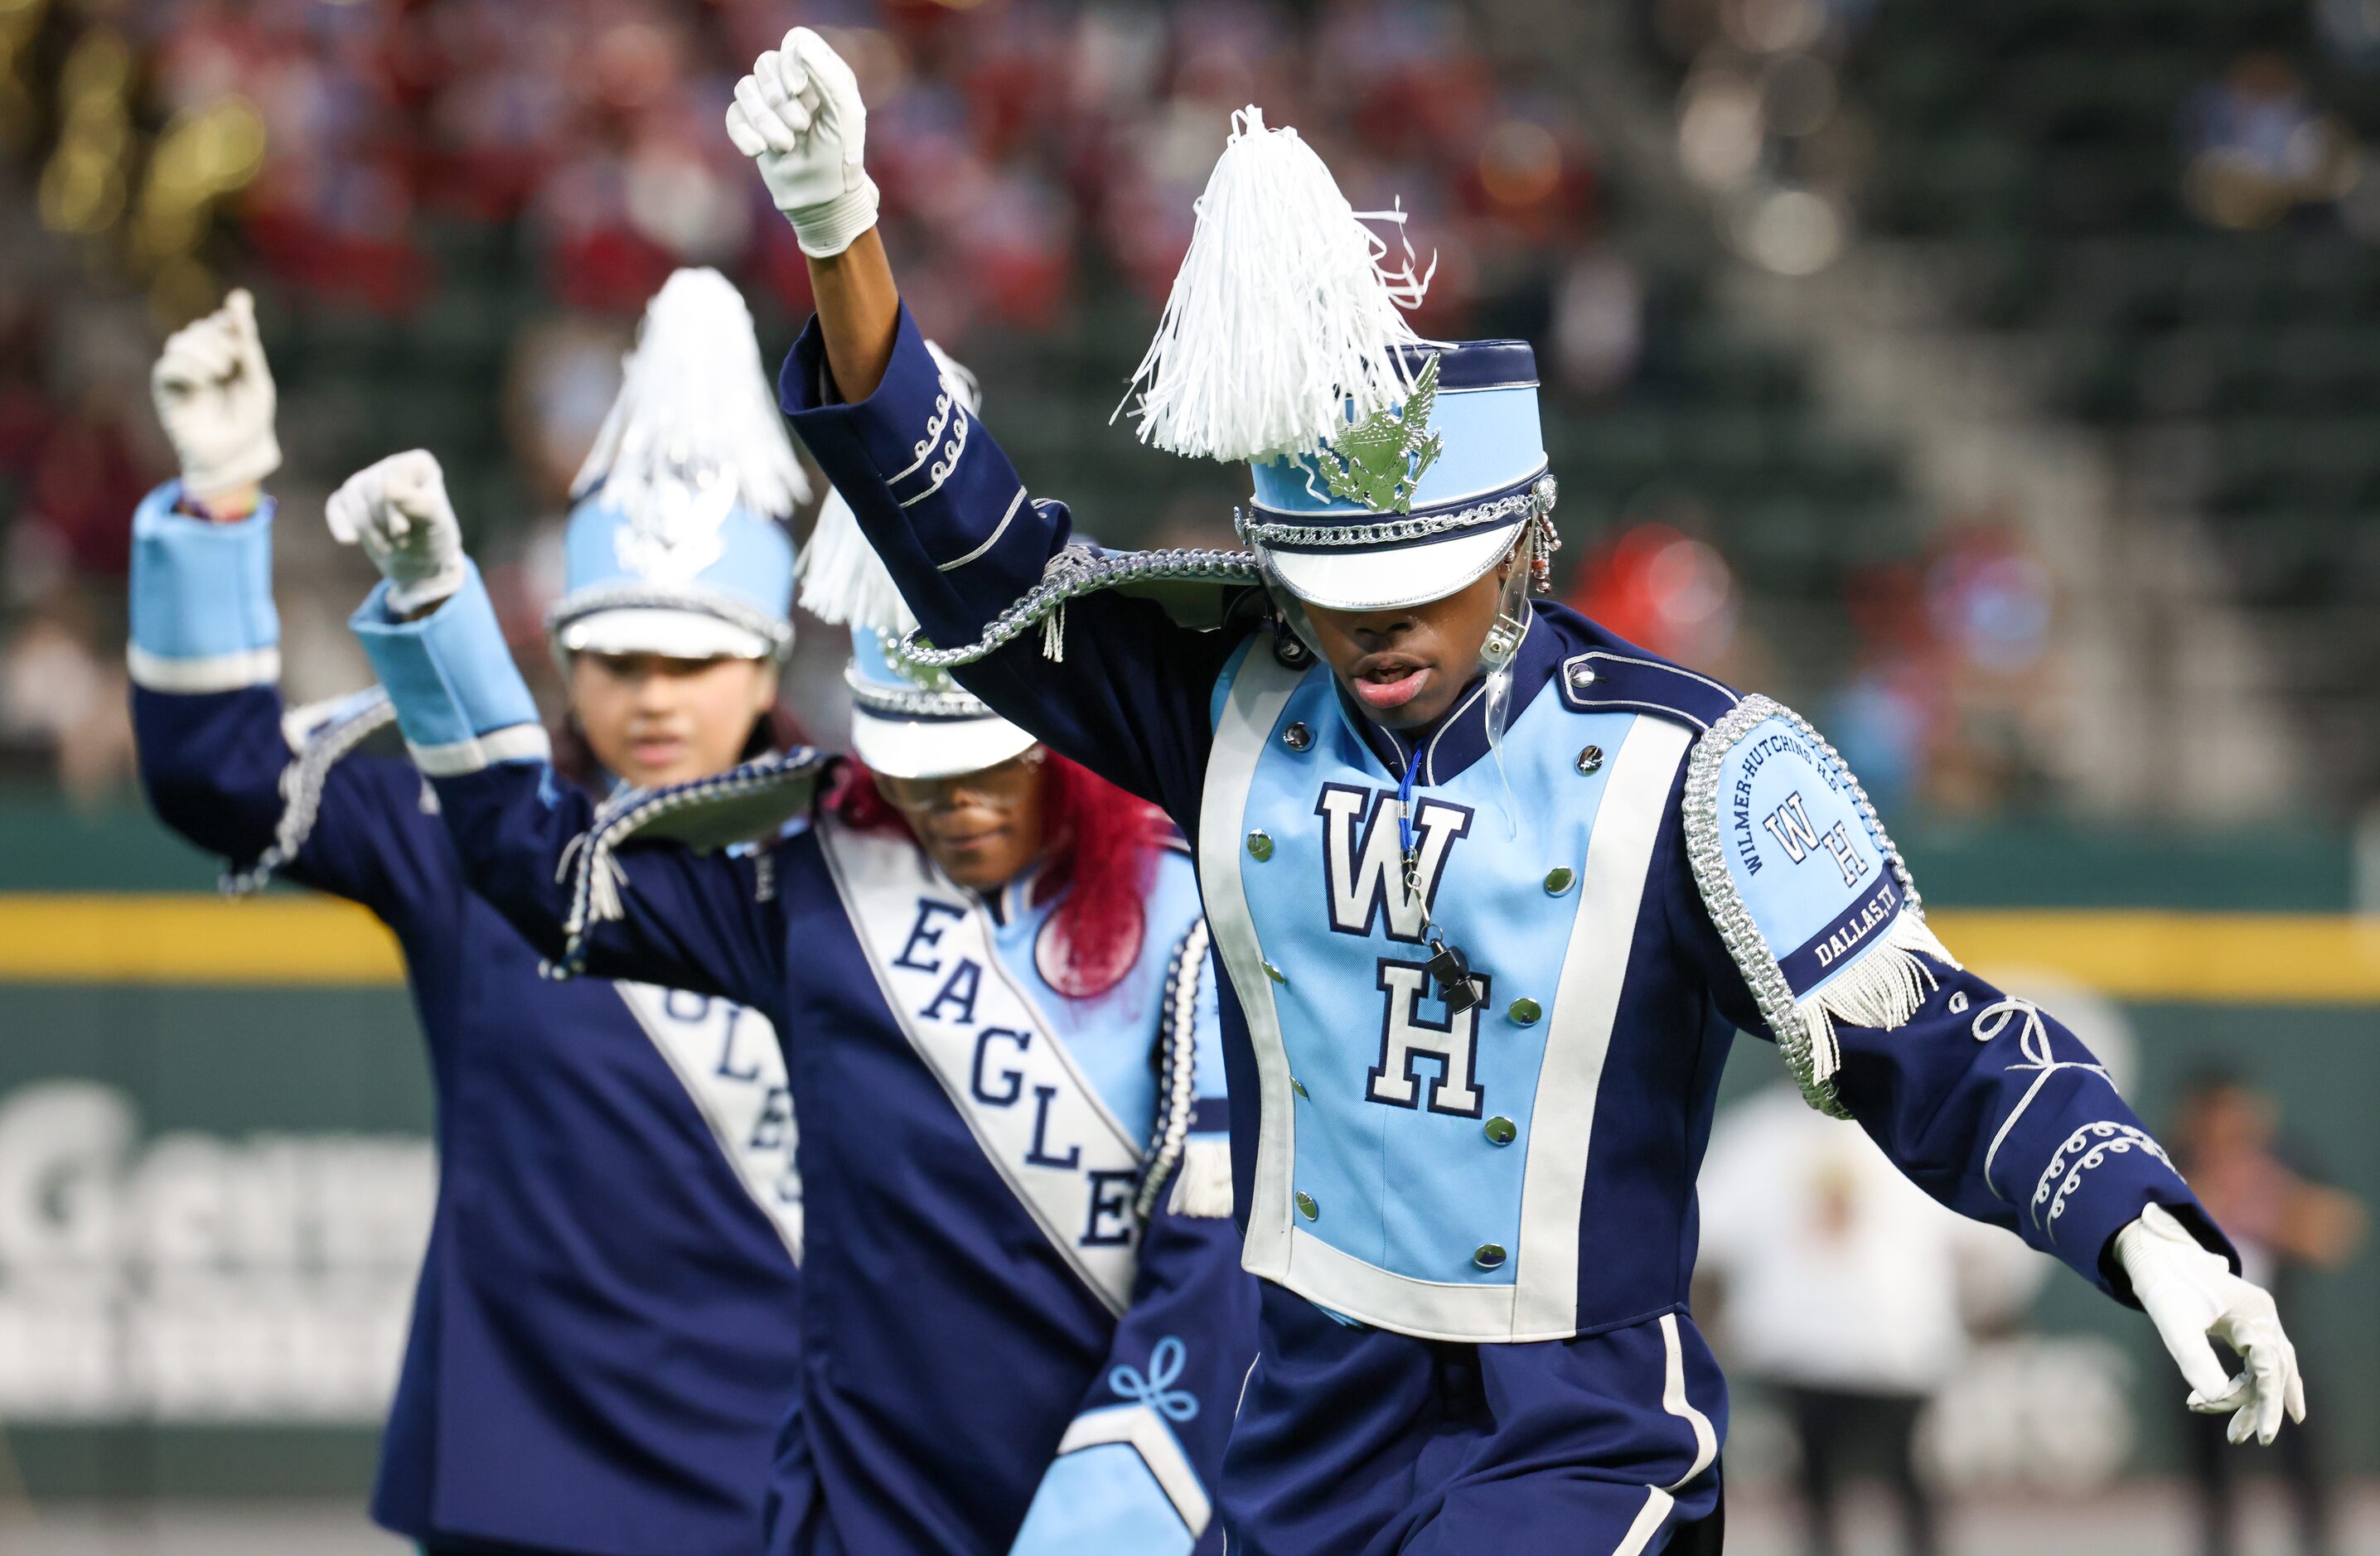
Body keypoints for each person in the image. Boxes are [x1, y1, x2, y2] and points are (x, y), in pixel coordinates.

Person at [724, 29, 2308, 1554]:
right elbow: (976, 561)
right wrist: (840, 233)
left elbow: (1932, 1038)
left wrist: (2142, 1227)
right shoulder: (1232, 696)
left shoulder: (1698, 768)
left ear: (1523, 545)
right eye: (1338, 582)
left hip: (1573, 1418)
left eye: (1425, 576)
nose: (1375, 622)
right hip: (1300, 1404)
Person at [329, 348, 1259, 1555]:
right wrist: (436, 615)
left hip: (1103, 1501)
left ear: (1063, 747)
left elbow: (1203, 1280)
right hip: (855, 1510)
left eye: (994, 772)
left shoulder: (1189, 921)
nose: (957, 806)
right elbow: (545, 874)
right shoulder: (817, 875)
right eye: (923, 780)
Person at [128, 273, 811, 1554]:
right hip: (522, 1469)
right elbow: (216, 774)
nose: (655, 698)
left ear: (769, 660)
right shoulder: (462, 831)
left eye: (695, 659)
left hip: (795, 1479)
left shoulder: (857, 853)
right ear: (558, 658)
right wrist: (218, 501)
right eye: (618, 659)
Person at [1698, 1081, 2048, 1556]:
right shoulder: (1913, 1132)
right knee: (1881, 1477)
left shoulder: (1760, 1131)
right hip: (1861, 1340)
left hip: (1834, 1339)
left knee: (1844, 1479)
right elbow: (1980, 1244)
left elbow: (1708, 1239)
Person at [2171, 1068, 2364, 1556]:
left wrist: (2271, 1205)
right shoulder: (2168, 1166)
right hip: (2202, 1347)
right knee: (2213, 1479)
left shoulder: (2281, 1163)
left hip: (2276, 1341)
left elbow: (2336, 1233)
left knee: (2306, 1466)